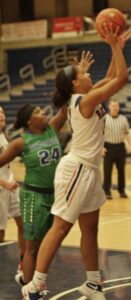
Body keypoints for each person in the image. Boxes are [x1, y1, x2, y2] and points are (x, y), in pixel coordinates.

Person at [22, 25, 128, 300]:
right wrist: (114, 46)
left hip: (89, 170)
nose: (88, 74)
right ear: (75, 85)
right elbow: (121, 78)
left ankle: (93, 283)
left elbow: (110, 77)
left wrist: (118, 48)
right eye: (83, 74)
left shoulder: (85, 95)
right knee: (60, 227)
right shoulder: (83, 100)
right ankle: (34, 285)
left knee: (90, 227)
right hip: (76, 169)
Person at [0, 103, 67, 286]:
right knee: (32, 249)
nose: (43, 113)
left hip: (54, 197)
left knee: (47, 245)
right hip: (33, 198)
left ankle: (28, 281)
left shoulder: (52, 129)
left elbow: (67, 107)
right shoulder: (21, 142)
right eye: (38, 112)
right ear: (30, 121)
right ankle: (29, 290)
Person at [0, 106, 25, 272]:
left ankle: (23, 263)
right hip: (2, 187)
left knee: (23, 224)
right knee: (0, 234)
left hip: (11, 185)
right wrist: (4, 183)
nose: (1, 115)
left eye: (2, 112)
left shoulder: (3, 136)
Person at [102, 99, 131, 199]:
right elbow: (99, 134)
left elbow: (127, 133)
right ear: (109, 107)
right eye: (113, 106)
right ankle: (107, 192)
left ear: (119, 107)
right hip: (108, 147)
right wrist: (100, 147)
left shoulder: (123, 119)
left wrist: (129, 145)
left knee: (121, 171)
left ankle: (122, 191)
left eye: (117, 106)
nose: (115, 107)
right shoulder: (104, 119)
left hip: (120, 147)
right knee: (107, 171)